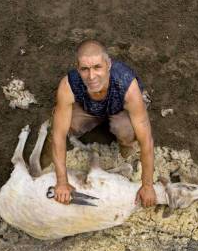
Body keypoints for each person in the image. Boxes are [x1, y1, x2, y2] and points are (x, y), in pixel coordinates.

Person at [42, 39, 157, 207]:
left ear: (108, 64)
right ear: (77, 67)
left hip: (120, 110)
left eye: (97, 67)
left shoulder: (126, 85)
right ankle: (44, 163)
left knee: (127, 131)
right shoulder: (69, 85)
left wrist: (147, 185)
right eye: (85, 69)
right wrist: (61, 182)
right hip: (90, 108)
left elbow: (146, 140)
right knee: (65, 124)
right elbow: (58, 136)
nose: (91, 76)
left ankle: (126, 150)